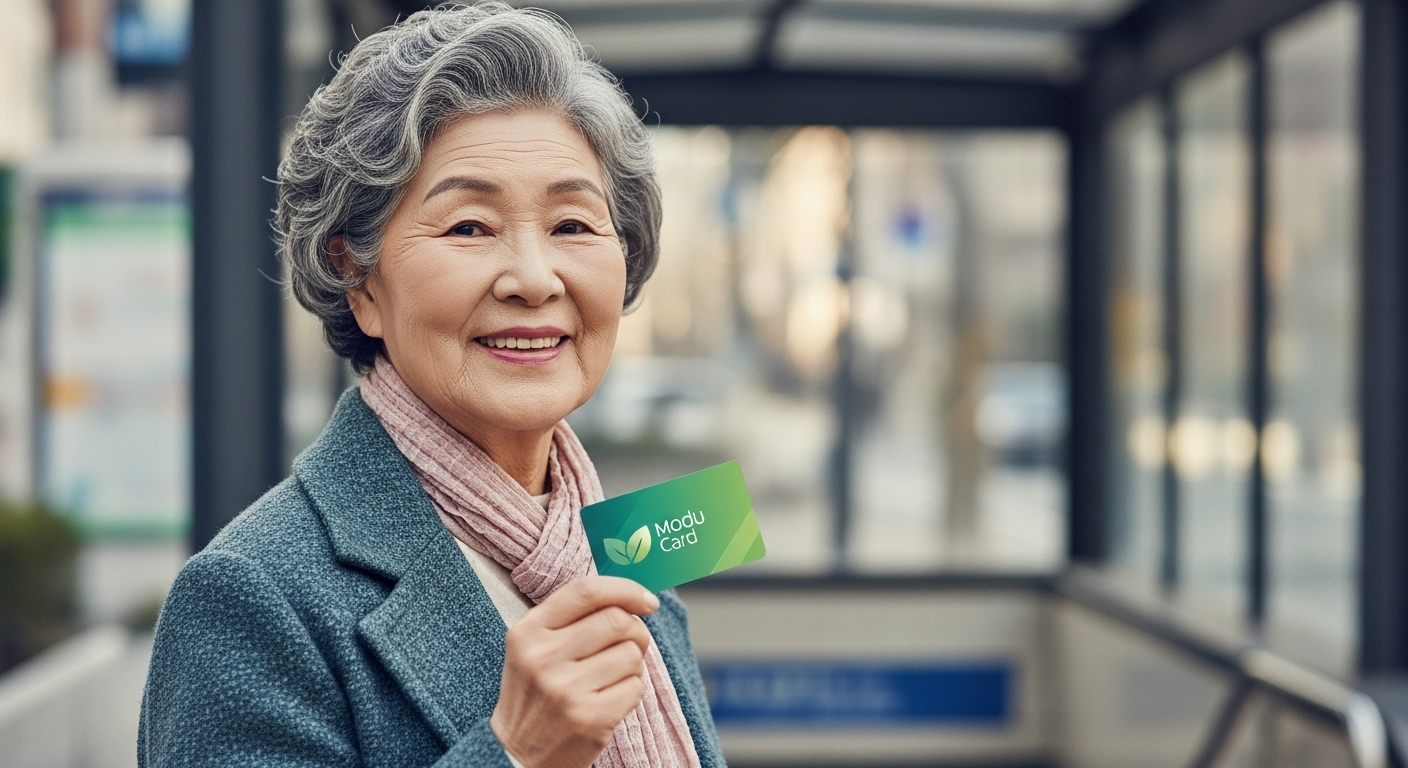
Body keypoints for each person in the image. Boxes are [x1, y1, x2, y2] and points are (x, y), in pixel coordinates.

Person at [138, 4, 724, 766]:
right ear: (359, 278)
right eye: (469, 228)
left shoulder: (624, 566)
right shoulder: (252, 598)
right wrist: (515, 752)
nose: (533, 278)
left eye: (573, 226)